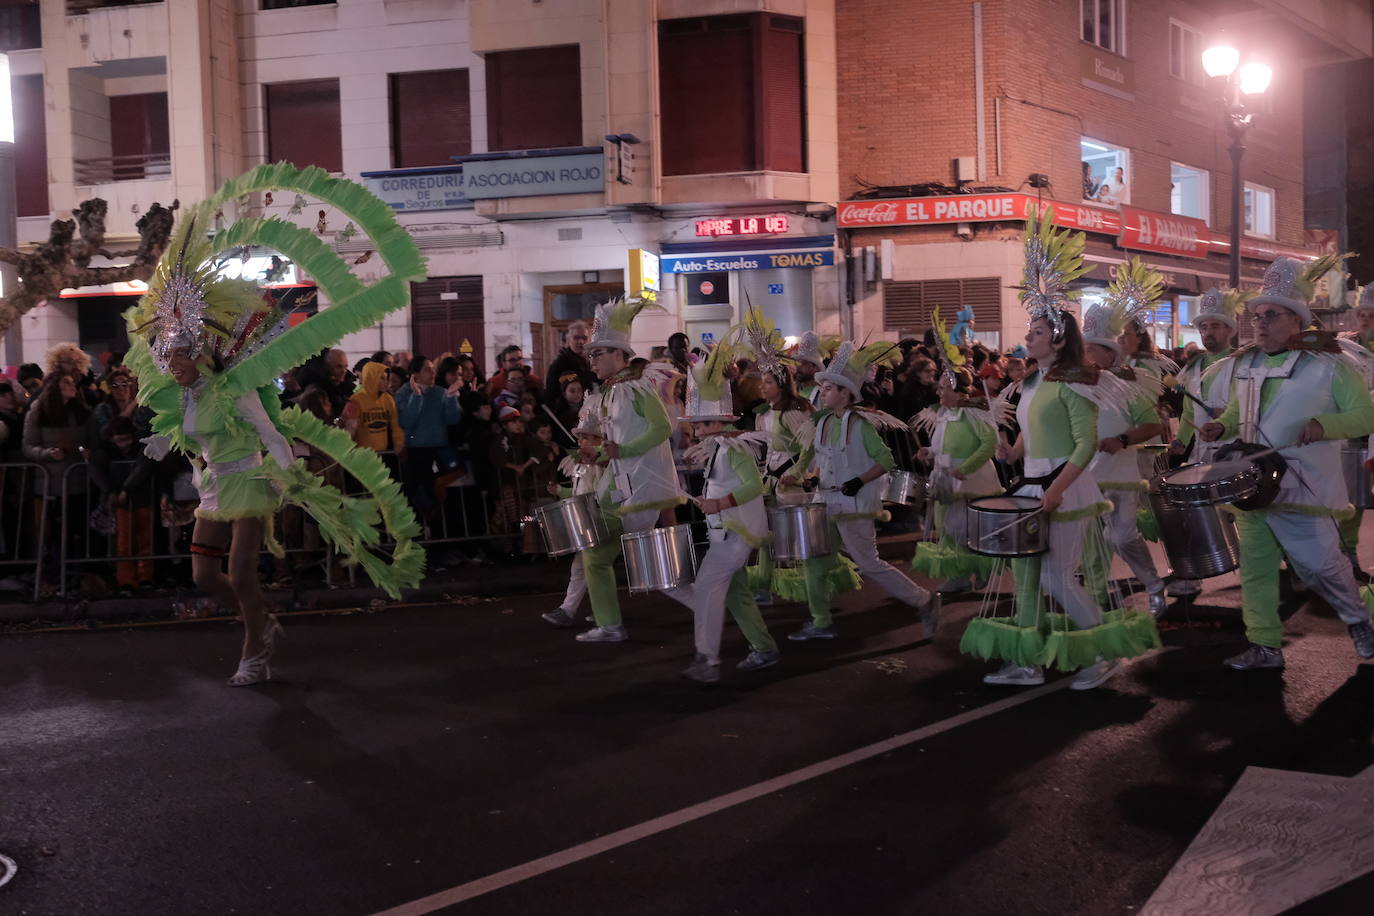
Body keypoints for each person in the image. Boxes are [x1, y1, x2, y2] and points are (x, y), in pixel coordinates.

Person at [124, 163, 426, 685]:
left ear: (200, 354)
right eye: (167, 356)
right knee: (203, 575)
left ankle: (253, 651)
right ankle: (260, 623)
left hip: (253, 479)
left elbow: (268, 432)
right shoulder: (184, 396)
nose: (171, 363)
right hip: (217, 483)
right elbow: (189, 437)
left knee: (240, 573)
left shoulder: (233, 390)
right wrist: (163, 444)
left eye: (179, 355)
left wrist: (290, 474)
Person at [963, 209, 1160, 689]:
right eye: (1029, 332)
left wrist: (1057, 489)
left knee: (1055, 578)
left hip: (1065, 490)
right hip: (1033, 485)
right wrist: (1010, 450)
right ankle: (1028, 662)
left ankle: (1101, 650)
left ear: (1057, 337)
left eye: (1034, 333)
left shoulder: (1075, 381)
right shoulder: (1034, 382)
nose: (1026, 339)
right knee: (1027, 579)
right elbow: (1032, 435)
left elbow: (1084, 443)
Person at [1200, 255, 1374, 669]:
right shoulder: (1246, 364)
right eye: (1255, 316)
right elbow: (1235, 415)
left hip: (1305, 486)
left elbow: (1366, 415)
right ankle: (1264, 645)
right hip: (1253, 485)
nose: (1258, 323)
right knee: (1256, 572)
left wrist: (1324, 424)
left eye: (1270, 315)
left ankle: (1358, 618)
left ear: (1296, 320)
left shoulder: (1331, 363)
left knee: (1320, 570)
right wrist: (1220, 429)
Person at [785, 340, 940, 640]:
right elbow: (822, 461)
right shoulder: (822, 422)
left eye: (830, 388)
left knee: (869, 563)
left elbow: (887, 460)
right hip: (826, 502)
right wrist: (809, 478)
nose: (824, 392)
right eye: (825, 387)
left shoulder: (860, 425)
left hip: (854, 505)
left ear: (846, 393)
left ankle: (925, 600)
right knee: (814, 562)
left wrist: (860, 480)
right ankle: (820, 622)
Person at [671, 333, 781, 682]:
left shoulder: (733, 448)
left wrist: (718, 502)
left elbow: (753, 486)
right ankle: (764, 648)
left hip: (735, 534)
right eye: (696, 424)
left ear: (721, 422)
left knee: (706, 588)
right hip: (725, 532)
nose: (698, 430)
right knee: (736, 594)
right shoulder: (718, 448)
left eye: (703, 423)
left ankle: (707, 660)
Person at [574, 297, 684, 643]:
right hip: (621, 485)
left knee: (603, 556)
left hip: (640, 488)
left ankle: (611, 624)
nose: (592, 360)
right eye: (590, 354)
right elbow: (620, 442)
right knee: (601, 557)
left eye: (599, 353)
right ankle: (609, 623)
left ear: (621, 354)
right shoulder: (609, 394)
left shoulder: (636, 388)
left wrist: (623, 450)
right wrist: (602, 455)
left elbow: (662, 428)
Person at [1078, 264, 1170, 617]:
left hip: (1123, 476)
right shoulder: (1076, 385)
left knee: (1120, 537)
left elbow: (1154, 426)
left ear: (1109, 352)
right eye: (1084, 349)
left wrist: (1121, 439)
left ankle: (1154, 585)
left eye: (1093, 350)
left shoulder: (1132, 384)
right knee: (1090, 542)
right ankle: (1097, 595)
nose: (1087, 357)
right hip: (1086, 475)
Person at [910, 315, 1002, 597]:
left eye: (943, 387)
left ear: (957, 389)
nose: (938, 391)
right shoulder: (942, 414)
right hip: (944, 479)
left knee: (969, 530)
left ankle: (983, 569)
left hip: (971, 480)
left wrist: (968, 468)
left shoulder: (974, 412)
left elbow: (990, 443)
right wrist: (929, 452)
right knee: (947, 530)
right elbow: (942, 445)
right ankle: (959, 574)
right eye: (938, 387)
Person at [1166, 287, 1248, 597]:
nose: (1207, 332)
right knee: (1193, 512)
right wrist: (1178, 442)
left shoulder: (1243, 363)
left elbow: (1252, 406)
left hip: (1236, 451)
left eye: (1214, 325)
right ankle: (1192, 574)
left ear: (1229, 329)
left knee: (1245, 514)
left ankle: (1269, 566)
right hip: (1202, 452)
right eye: (1203, 326)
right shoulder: (1194, 368)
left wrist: (1226, 416)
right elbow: (1188, 411)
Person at [541, 408, 606, 628]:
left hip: (600, 521)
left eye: (588, 437)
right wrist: (560, 490)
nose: (582, 441)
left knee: (587, 568)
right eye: (581, 437)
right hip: (588, 521)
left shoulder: (603, 463)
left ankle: (569, 610)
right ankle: (601, 612)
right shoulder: (581, 462)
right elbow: (579, 492)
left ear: (600, 440)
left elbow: (600, 494)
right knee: (592, 568)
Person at [88, 415, 157, 595]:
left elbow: (143, 467)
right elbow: (96, 470)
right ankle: (127, 580)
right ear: (112, 439)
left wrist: (121, 489)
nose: (125, 444)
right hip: (122, 499)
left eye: (127, 439)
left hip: (137, 497)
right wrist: (112, 490)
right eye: (120, 440)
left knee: (144, 539)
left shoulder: (141, 448)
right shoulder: (105, 452)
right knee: (123, 542)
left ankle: (145, 577)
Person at [396, 356, 463, 524]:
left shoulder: (439, 392)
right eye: (427, 369)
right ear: (415, 375)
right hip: (416, 450)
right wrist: (417, 396)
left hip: (439, 449)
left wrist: (451, 397)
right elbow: (406, 421)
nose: (433, 373)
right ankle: (422, 529)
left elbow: (453, 419)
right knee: (419, 493)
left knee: (440, 491)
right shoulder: (403, 393)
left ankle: (440, 529)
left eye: (433, 369)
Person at [342, 360, 405, 455]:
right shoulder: (356, 400)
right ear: (372, 378)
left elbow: (395, 424)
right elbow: (349, 428)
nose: (386, 383)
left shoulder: (388, 399)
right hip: (362, 453)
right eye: (382, 378)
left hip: (384, 452)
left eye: (387, 379)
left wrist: (399, 442)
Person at [545, 320, 596, 398]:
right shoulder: (559, 364)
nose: (581, 342)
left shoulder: (592, 361)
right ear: (568, 340)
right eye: (576, 337)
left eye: (584, 338)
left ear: (589, 340)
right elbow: (551, 393)